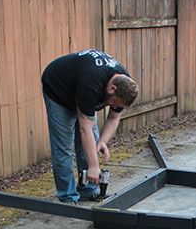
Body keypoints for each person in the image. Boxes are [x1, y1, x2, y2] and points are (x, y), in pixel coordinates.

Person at [41, 49, 138, 204]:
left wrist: (102, 143)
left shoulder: (125, 85)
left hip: (83, 91)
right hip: (59, 90)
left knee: (92, 142)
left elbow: (114, 118)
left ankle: (87, 190)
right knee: (64, 147)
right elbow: (84, 129)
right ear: (112, 88)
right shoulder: (91, 82)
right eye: (112, 102)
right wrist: (94, 166)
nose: (111, 105)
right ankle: (68, 197)